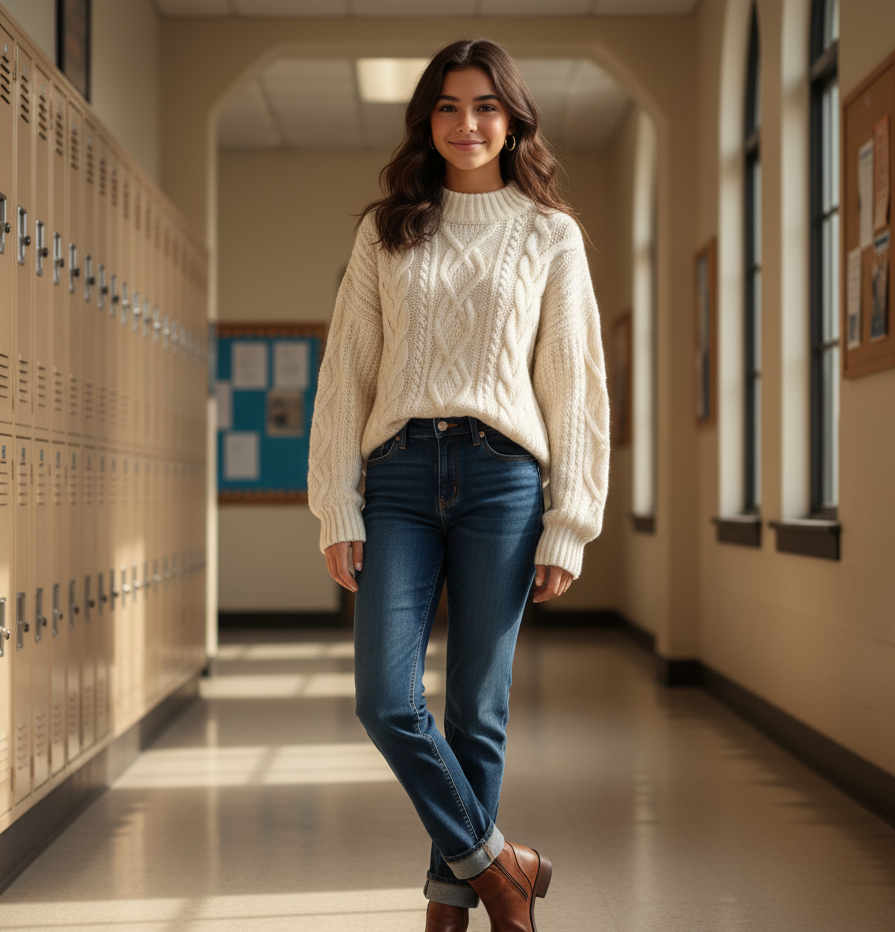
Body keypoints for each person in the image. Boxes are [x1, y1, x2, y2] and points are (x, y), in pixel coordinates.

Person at [307, 38, 609, 932]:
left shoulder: (552, 234)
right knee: (386, 700)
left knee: (478, 707)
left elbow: (575, 383)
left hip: (502, 480)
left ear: (513, 119)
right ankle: (500, 870)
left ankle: (451, 909)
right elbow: (346, 371)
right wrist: (336, 500)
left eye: (485, 106)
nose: (466, 123)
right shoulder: (387, 229)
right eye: (447, 105)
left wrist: (570, 523)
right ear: (426, 120)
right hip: (398, 475)